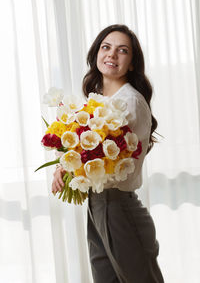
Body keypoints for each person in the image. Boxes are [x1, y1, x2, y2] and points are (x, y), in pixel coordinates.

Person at [52, 24, 165, 283]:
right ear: (96, 54)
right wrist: (64, 165)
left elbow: (107, 160)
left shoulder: (130, 101)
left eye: (122, 50)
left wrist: (68, 167)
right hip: (99, 205)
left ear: (132, 63)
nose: (112, 55)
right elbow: (88, 152)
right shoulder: (99, 100)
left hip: (118, 207)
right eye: (106, 47)